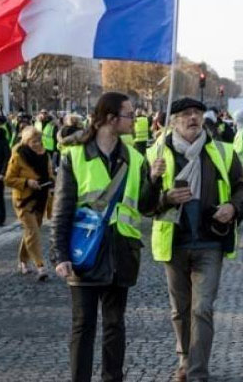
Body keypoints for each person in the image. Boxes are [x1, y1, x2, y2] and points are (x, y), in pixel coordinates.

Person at [52, 92, 163, 382]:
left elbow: (147, 206)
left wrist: (154, 180)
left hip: (121, 251)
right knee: (83, 325)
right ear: (111, 119)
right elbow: (61, 209)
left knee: (115, 325)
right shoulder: (74, 155)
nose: (135, 119)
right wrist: (60, 254)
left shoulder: (136, 158)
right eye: (129, 114)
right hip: (84, 252)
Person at [146, 97, 243, 382]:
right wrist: (163, 195)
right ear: (173, 120)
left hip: (210, 241)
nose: (193, 118)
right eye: (186, 114)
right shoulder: (154, 153)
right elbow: (144, 203)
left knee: (202, 308)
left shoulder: (222, 151)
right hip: (173, 241)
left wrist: (234, 207)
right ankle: (184, 359)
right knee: (180, 310)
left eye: (197, 113)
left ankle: (197, 372)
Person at [5, 126, 54, 280]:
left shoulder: (45, 154)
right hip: (23, 200)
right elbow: (8, 179)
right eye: (34, 141)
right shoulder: (18, 156)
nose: (37, 144)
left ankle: (22, 261)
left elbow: (50, 173)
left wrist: (52, 182)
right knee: (33, 232)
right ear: (26, 142)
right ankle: (40, 266)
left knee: (31, 232)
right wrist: (26, 182)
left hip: (41, 198)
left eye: (39, 140)